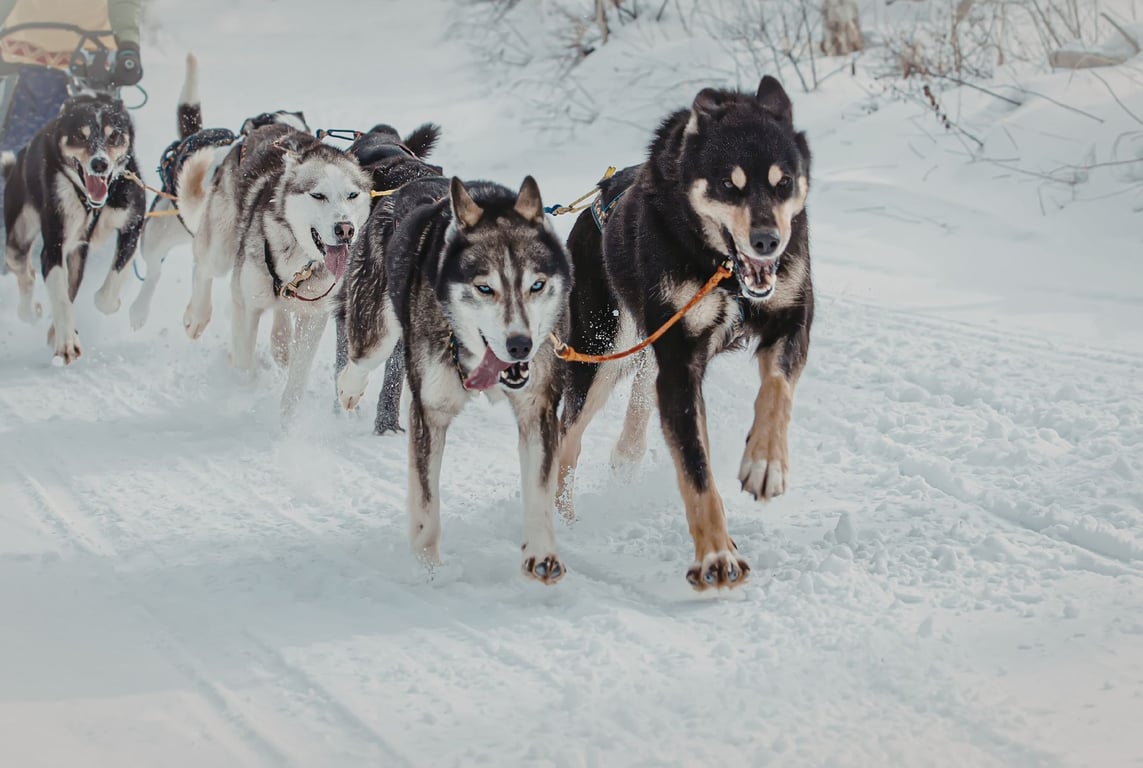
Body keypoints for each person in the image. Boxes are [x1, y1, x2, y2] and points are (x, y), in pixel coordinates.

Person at [0, 0, 143, 255]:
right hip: (24, 57)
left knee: (92, 163)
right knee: (15, 161)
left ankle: (86, 252)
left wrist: (128, 44)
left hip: (92, 63)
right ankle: (12, 255)